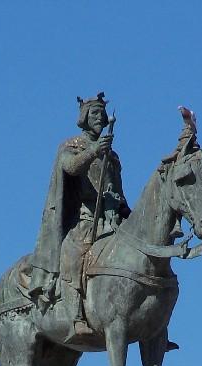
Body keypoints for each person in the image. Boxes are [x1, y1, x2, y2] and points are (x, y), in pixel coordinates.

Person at [28, 92, 130, 339]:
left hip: (111, 219)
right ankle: (76, 317)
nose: (100, 118)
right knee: (73, 254)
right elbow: (71, 167)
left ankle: (151, 325)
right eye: (95, 113)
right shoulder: (71, 146)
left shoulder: (112, 157)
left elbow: (118, 191)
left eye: (102, 114)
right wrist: (93, 151)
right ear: (84, 118)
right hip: (84, 221)